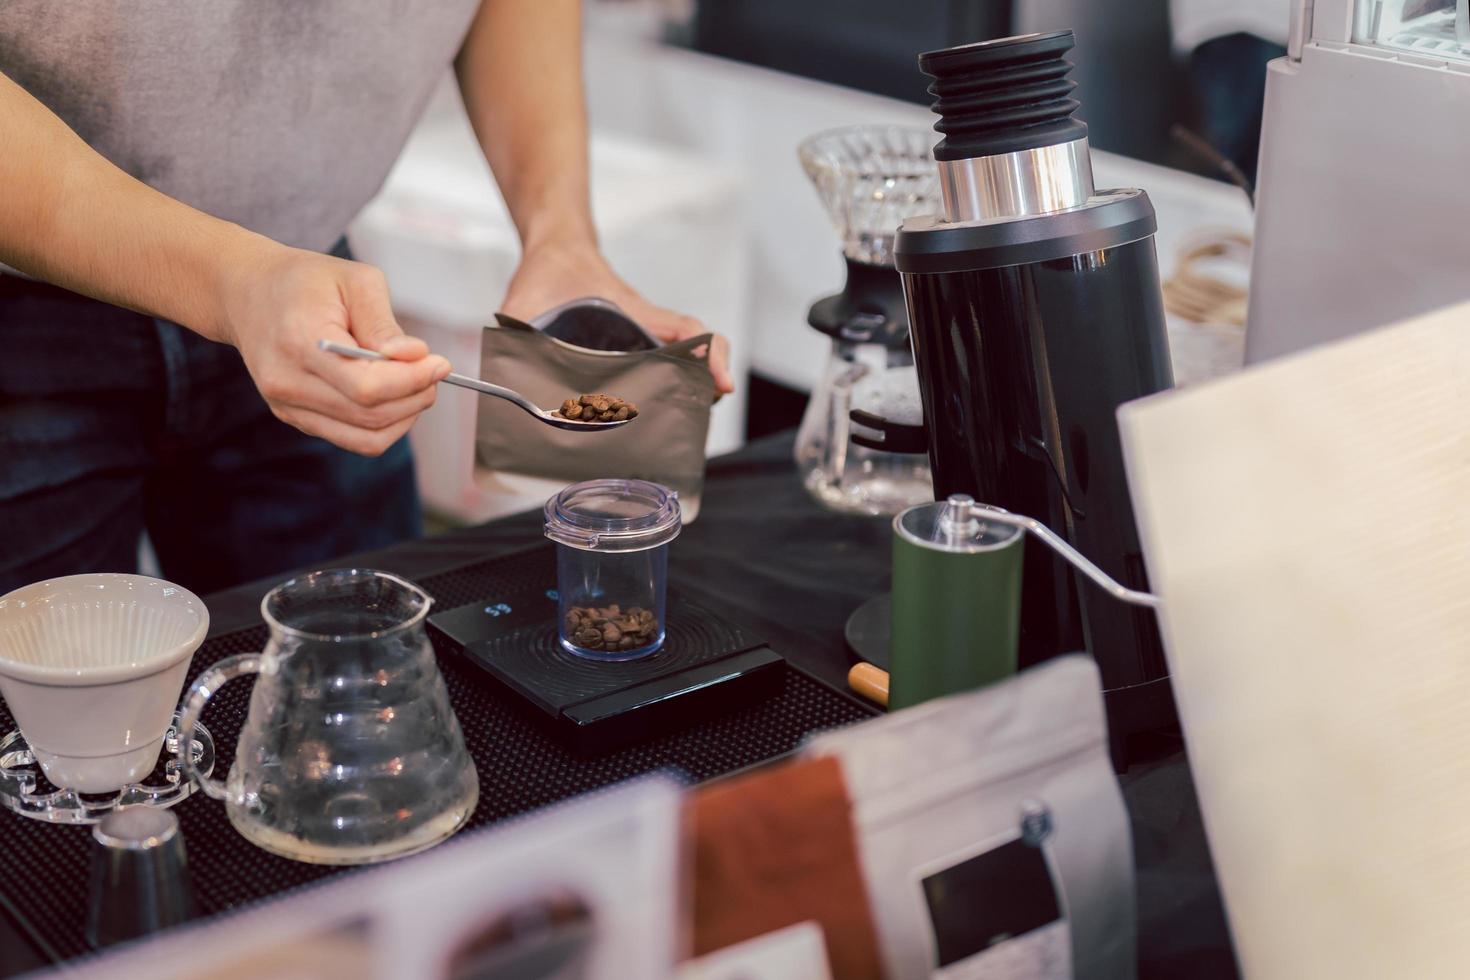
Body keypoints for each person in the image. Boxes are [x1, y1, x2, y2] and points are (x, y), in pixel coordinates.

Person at [0, 2, 733, 597]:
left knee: (360, 679)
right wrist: (233, 279)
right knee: (45, 743)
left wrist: (561, 239)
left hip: (310, 296)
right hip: (26, 306)